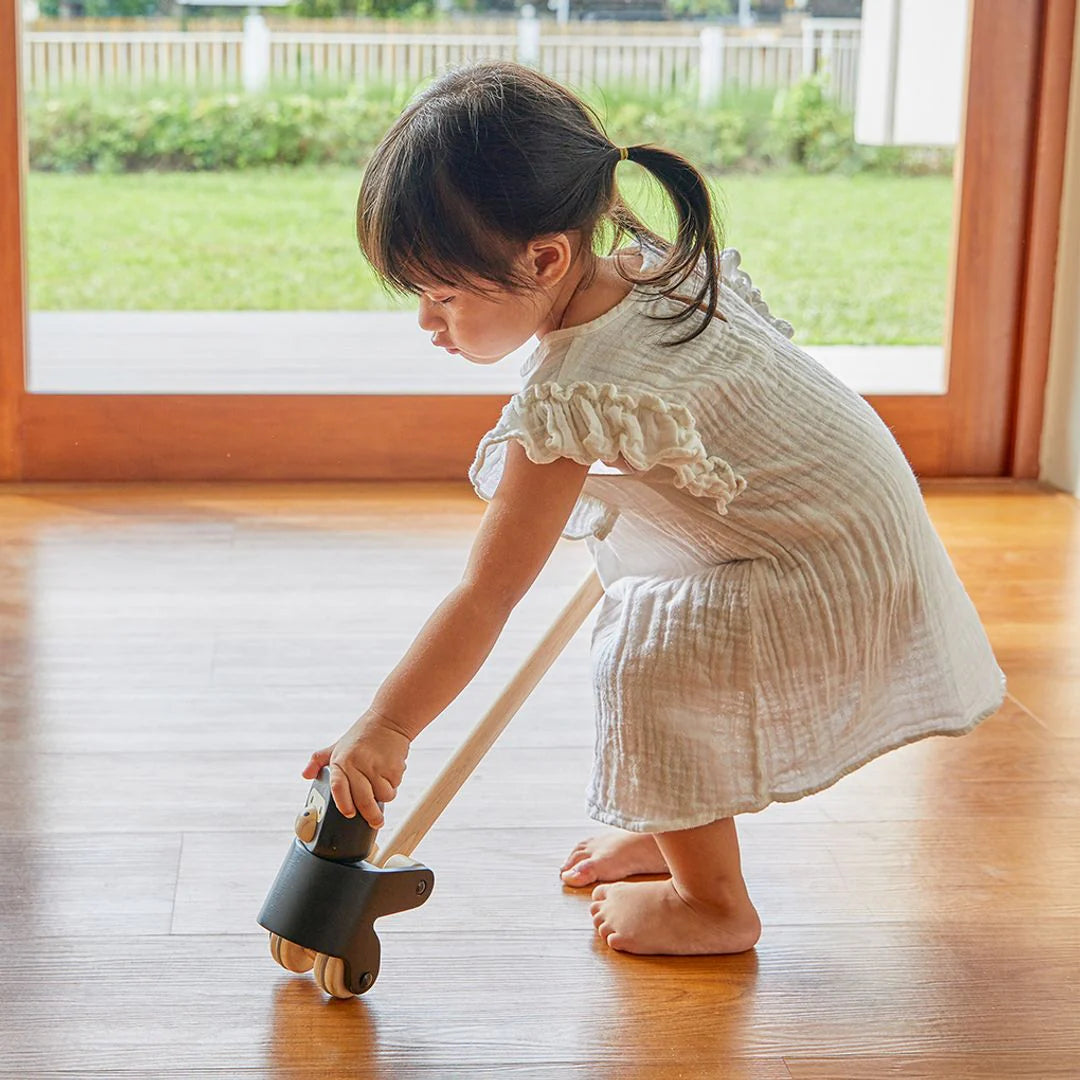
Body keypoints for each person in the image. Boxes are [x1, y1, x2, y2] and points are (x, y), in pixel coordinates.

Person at [302, 59, 1006, 957]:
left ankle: (714, 904)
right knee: (643, 607)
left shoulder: (577, 388)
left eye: (443, 296)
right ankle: (673, 821)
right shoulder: (645, 271)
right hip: (854, 526)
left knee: (651, 663)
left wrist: (388, 726)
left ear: (545, 257)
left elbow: (487, 594)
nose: (428, 324)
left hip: (828, 568)